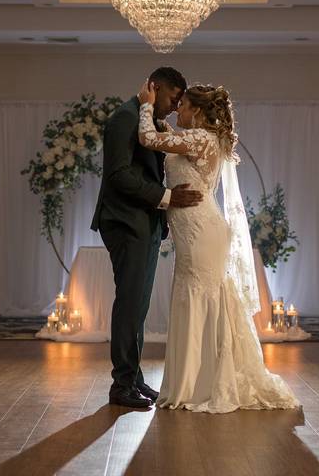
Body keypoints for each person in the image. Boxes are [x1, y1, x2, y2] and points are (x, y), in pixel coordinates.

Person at [137, 80, 300, 413]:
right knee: (194, 299)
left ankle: (201, 383)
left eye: (182, 105)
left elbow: (148, 139)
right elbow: (169, 144)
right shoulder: (202, 138)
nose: (178, 108)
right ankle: (195, 380)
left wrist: (146, 105)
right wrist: (164, 122)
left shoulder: (199, 138)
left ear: (196, 110)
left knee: (198, 299)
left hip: (200, 230)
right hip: (196, 229)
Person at [91, 66, 202, 409]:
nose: (174, 105)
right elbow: (119, 175)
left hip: (146, 225)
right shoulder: (124, 118)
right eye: (172, 97)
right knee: (129, 303)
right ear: (154, 88)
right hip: (126, 223)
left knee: (137, 305)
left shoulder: (149, 121)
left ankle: (134, 379)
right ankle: (121, 386)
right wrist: (167, 197)